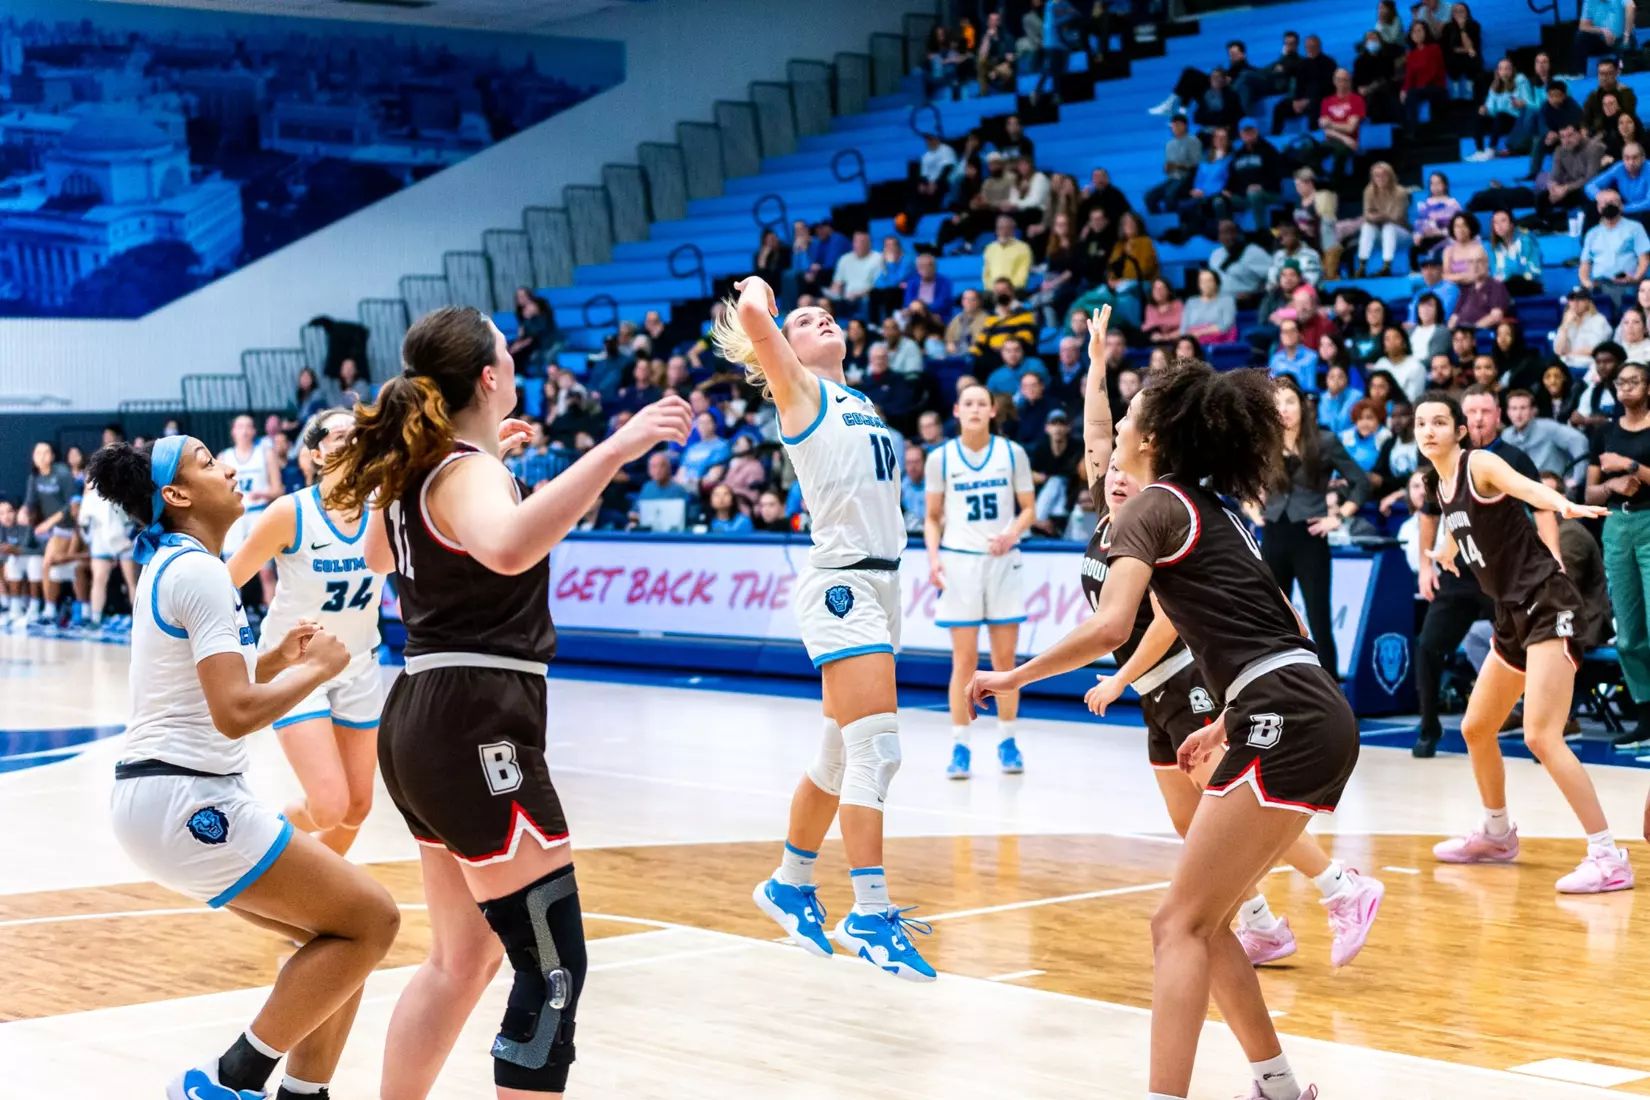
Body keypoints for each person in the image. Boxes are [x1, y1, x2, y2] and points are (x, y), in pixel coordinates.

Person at [972, 359, 1365, 1100]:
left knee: (1174, 926)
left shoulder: (1151, 508)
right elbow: (1272, 627)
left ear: (1151, 438)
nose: (1113, 430)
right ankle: (1277, 1087)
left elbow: (1110, 626)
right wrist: (1224, 720)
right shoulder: (1208, 510)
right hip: (1297, 707)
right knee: (1209, 924)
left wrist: (1013, 678)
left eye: (1123, 422)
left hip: (1287, 714)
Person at [89, 436, 399, 1100]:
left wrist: (280, 660)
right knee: (376, 919)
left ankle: (300, 1093)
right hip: (187, 801)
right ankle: (227, 1079)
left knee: (346, 945)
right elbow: (232, 713)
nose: (231, 467)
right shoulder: (198, 571)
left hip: (167, 798)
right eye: (208, 462)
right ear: (176, 496)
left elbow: (216, 685)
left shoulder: (183, 563)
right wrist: (315, 671)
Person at [714, 277, 937, 981]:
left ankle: (788, 883)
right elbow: (753, 311)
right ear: (783, 347)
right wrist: (761, 292)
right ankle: (869, 913)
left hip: (883, 580)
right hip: (844, 581)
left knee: (840, 755)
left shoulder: (858, 401)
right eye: (806, 319)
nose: (823, 319)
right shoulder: (799, 390)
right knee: (881, 752)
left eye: (829, 315)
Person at [1415, 391, 1629, 892]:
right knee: (1476, 727)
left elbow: (1527, 489)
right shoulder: (1441, 484)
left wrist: (1562, 503)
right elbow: (1458, 527)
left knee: (1540, 736)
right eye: (1422, 422)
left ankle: (1607, 856)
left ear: (1460, 431)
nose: (1429, 430)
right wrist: (1443, 551)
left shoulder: (1481, 463)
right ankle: (1495, 833)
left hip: (1547, 602)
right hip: (1512, 613)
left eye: (1440, 422)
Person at [223, 408, 387, 859]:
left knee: (357, 807)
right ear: (315, 453)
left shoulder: (385, 506)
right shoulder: (289, 512)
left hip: (359, 664)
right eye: (339, 435)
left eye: (359, 434)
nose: (352, 440)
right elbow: (224, 581)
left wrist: (491, 451)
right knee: (329, 805)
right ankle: (256, 835)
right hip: (298, 668)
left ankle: (313, 901)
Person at [925, 382, 1037, 779]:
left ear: (993, 411)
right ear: (956, 410)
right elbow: (933, 517)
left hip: (1003, 561)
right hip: (959, 563)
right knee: (964, 661)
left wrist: (1011, 534)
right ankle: (960, 745)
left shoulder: (1013, 453)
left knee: (1005, 661)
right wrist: (934, 559)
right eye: (967, 403)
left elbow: (1028, 509)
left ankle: (1007, 739)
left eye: (981, 404)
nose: (974, 409)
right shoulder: (939, 458)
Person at [1254, 376, 1370, 677]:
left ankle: (1332, 698)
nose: (1284, 410)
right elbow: (1236, 480)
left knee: (1318, 620)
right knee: (1272, 619)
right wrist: (1250, 506)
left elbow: (1361, 482)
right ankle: (1279, 687)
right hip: (1275, 535)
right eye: (1276, 403)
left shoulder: (1324, 441)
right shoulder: (1265, 443)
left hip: (1310, 538)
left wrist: (1339, 516)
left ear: (1303, 406)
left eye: (1290, 402)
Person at [1585, 361, 1650, 737]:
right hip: (1616, 525)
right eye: (1620, 382)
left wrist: (1630, 466)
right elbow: (1588, 493)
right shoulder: (1604, 434)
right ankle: (1644, 714)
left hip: (1649, 519)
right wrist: (1612, 486)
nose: (1625, 387)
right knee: (1628, 633)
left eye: (1634, 380)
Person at [219, 414, 284, 607]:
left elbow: (278, 489)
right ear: (233, 432)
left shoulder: (265, 453)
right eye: (240, 427)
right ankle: (233, 622)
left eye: (249, 427)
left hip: (258, 514)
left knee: (266, 571)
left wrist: (262, 494)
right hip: (235, 518)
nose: (245, 431)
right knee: (230, 574)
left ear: (254, 431)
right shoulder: (224, 457)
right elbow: (217, 492)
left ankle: (271, 620)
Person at [1354, 161, 1411, 277]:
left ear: (1390, 176)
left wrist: (1380, 216)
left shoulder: (1400, 192)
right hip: (1380, 233)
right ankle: (1362, 266)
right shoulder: (1369, 191)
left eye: (1383, 175)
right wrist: (1378, 217)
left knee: (1389, 227)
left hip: (1401, 233)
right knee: (1367, 227)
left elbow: (1396, 218)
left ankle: (1387, 266)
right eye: (1376, 175)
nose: (1380, 178)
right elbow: (1367, 215)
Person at [1472, 58, 1535, 160]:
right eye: (1502, 69)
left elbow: (1530, 102)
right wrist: (1485, 109)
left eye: (1507, 69)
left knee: (1501, 115)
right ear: (1498, 71)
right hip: (1499, 120)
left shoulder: (1520, 80)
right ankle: (1479, 151)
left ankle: (1491, 149)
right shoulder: (1495, 85)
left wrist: (1521, 103)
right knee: (1481, 117)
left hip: (1516, 119)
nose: (1505, 72)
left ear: (1512, 70)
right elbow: (1491, 108)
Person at [1147, 115, 1203, 214]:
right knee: (1149, 197)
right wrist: (1167, 168)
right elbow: (1168, 167)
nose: (1174, 128)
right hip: (1172, 179)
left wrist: (1177, 165)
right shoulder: (1170, 144)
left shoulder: (1193, 141)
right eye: (1172, 126)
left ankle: (1174, 220)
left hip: (1186, 178)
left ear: (1184, 126)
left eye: (1176, 125)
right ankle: (1161, 219)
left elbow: (1195, 164)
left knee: (1170, 195)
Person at [1208, 220, 1273, 304]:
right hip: (1221, 302)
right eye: (1223, 233)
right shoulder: (1215, 255)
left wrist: (1255, 293)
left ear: (1238, 234)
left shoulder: (1253, 252)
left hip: (1247, 303)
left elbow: (1274, 277)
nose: (1228, 237)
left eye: (1231, 232)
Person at [1401, 21, 1448, 136]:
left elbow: (1433, 71)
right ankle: (1409, 129)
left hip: (1436, 87)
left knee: (1413, 94)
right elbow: (1409, 75)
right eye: (1414, 31)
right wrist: (1404, 90)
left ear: (1426, 32)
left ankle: (1414, 129)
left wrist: (1417, 88)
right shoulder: (1411, 54)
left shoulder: (1434, 48)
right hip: (1419, 90)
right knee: (1405, 96)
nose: (1416, 34)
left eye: (1419, 30)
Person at [1555, 288, 1615, 369]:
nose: (1575, 303)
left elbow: (1597, 350)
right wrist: (1565, 326)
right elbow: (1558, 351)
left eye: (1580, 299)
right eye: (1572, 299)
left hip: (1590, 365)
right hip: (1566, 365)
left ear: (1588, 302)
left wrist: (1570, 353)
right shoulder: (1566, 321)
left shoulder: (1599, 320)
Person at [1180, 268, 1238, 345]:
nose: (1205, 284)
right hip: (1193, 343)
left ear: (1217, 283)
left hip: (1219, 342)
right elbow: (1183, 329)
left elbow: (1226, 325)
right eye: (1202, 281)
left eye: (1209, 281)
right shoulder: (1191, 302)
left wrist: (1200, 333)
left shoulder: (1227, 300)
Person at [1576, 0, 1638, 68]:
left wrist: (1626, 35)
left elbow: (1631, 6)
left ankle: (1624, 71)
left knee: (1626, 47)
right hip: (1601, 40)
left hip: (1622, 38)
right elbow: (1583, 26)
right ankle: (1579, 74)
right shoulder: (1589, 1)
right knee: (1581, 36)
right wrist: (1602, 30)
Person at [1441, 2, 1483, 100]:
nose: (1459, 14)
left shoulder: (1474, 25)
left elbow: (1471, 47)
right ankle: (1454, 86)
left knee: (1472, 58)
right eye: (1455, 11)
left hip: (1470, 56)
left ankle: (1469, 86)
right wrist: (1465, 50)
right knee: (1451, 59)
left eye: (1462, 11)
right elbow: (1450, 48)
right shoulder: (1448, 28)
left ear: (1467, 13)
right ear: (1452, 14)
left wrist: (1462, 29)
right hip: (1454, 56)